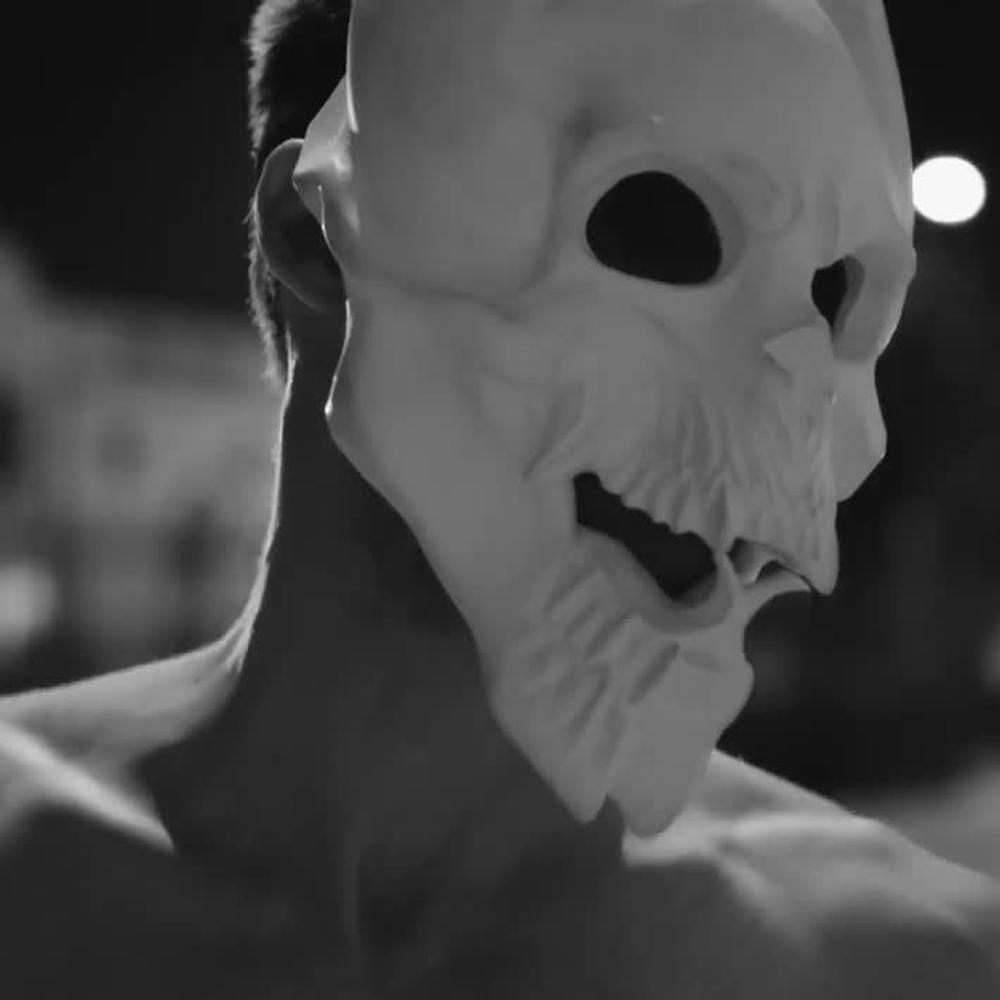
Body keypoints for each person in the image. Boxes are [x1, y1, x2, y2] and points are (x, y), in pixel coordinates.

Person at [0, 1, 998, 996]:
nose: (790, 391)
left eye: (832, 293)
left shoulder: (912, 963)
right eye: (658, 232)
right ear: (315, 233)